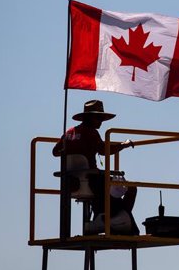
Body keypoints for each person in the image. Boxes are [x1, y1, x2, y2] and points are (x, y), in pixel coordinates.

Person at [53, 99, 139, 235]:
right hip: (94, 182)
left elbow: (55, 152)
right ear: (89, 118)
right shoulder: (91, 133)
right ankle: (119, 224)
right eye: (98, 117)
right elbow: (105, 151)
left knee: (108, 191)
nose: (101, 121)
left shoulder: (69, 132)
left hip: (70, 183)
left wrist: (73, 149)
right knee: (131, 189)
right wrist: (124, 145)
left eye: (102, 118)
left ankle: (105, 222)